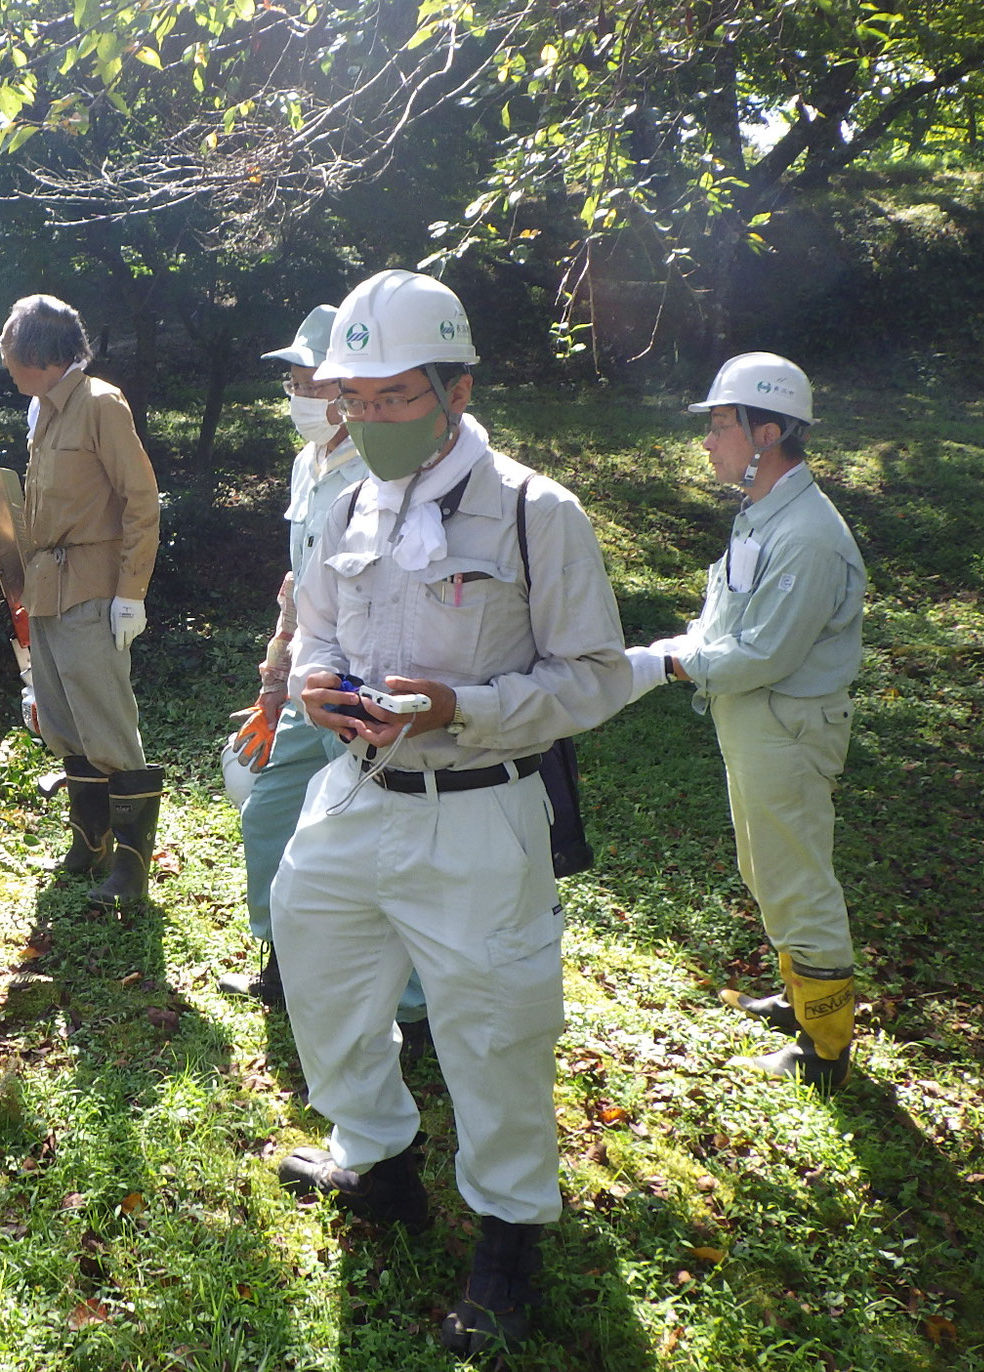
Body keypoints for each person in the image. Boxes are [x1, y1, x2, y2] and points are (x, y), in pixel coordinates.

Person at [268, 270, 631, 1357]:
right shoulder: (342, 500)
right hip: (352, 795)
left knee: (493, 1029)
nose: (368, 418)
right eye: (355, 399)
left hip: (477, 813)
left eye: (391, 396)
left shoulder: (533, 509)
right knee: (317, 974)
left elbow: (595, 677)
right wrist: (315, 685)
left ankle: (509, 1234)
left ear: (453, 388)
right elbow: (321, 633)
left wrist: (457, 708)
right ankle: (375, 1163)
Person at [626, 353, 865, 1093]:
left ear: (766, 433)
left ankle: (825, 1048)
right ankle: (801, 998)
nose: (708, 440)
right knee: (766, 869)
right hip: (756, 723)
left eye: (721, 424)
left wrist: (667, 664)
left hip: (787, 727)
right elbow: (728, 616)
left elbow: (764, 651)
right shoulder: (765, 512)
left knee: (798, 880)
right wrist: (682, 649)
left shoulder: (808, 535)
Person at [217, 306, 429, 1043]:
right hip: (310, 679)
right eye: (294, 380)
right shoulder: (310, 467)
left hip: (363, 686)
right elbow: (296, 588)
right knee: (271, 812)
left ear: (346, 390)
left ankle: (412, 1007)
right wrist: (274, 688)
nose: (300, 392)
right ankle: (287, 962)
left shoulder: (378, 470)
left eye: (313, 379)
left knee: (378, 844)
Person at [5, 294, 163, 904]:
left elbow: (141, 501)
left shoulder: (99, 403)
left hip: (94, 585)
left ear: (37, 355)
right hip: (49, 584)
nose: (7, 367)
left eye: (10, 355)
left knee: (107, 724)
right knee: (66, 722)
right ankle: (89, 840)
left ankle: (130, 871)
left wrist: (131, 594)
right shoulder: (43, 410)